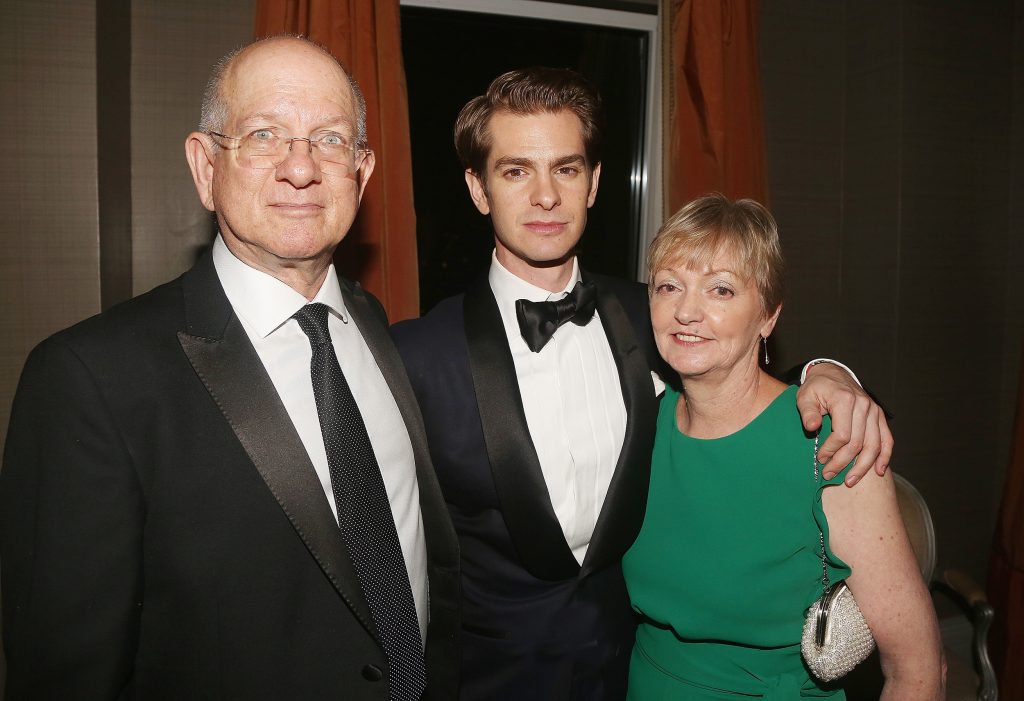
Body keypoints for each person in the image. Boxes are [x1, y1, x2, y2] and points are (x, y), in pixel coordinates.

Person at [390, 67, 892, 700]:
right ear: (478, 188)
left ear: (595, 183)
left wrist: (831, 373)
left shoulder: (653, 314)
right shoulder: (413, 355)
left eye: (567, 169)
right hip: (488, 683)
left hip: (628, 673)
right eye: (517, 170)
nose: (546, 195)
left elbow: (744, 369)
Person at [0, 36, 459, 700]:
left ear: (361, 173)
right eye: (265, 134)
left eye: (329, 140)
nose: (301, 169)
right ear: (204, 165)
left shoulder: (371, 322)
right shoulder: (88, 381)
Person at [622, 194, 945, 699]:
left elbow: (918, 671)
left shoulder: (829, 443)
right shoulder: (642, 424)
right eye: (669, 286)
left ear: (769, 316)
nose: (686, 311)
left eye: (721, 290)